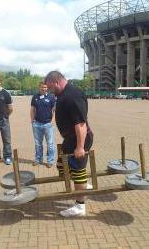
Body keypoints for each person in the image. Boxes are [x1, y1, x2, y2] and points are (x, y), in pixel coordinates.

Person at [44, 71, 93, 217]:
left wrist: (80, 147)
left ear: (56, 82)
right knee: (61, 166)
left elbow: (81, 124)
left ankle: (80, 206)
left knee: (77, 170)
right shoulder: (64, 94)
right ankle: (83, 185)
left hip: (77, 140)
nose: (50, 91)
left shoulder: (72, 96)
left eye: (50, 87)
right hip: (70, 140)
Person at [30, 83, 56, 167]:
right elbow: (32, 109)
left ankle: (50, 161)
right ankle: (38, 159)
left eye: (45, 87)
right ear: (39, 88)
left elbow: (54, 110)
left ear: (47, 88)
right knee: (38, 144)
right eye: (42, 87)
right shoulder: (35, 97)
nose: (44, 89)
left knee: (50, 144)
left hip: (48, 124)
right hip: (37, 124)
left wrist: (52, 120)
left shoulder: (51, 97)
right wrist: (32, 120)